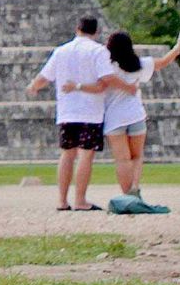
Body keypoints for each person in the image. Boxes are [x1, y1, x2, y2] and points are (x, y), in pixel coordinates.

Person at [27, 17, 138, 211]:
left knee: (67, 155)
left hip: (67, 111)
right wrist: (128, 87)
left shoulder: (61, 51)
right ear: (96, 32)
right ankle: (80, 200)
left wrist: (33, 87)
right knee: (85, 156)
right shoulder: (98, 51)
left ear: (77, 29)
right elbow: (108, 77)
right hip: (90, 112)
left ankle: (62, 200)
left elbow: (44, 77)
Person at [63, 30, 180, 199]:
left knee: (122, 159)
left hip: (114, 119)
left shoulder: (107, 67)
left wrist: (77, 86)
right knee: (137, 156)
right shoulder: (139, 64)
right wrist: (176, 49)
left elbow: (99, 86)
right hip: (136, 115)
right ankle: (135, 188)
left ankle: (127, 195)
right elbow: (162, 62)